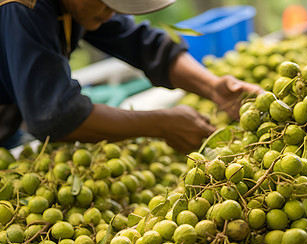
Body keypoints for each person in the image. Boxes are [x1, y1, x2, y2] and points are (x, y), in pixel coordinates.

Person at [0, 0, 262, 153]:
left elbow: (141, 44)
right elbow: (56, 116)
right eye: (106, 3)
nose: (111, 12)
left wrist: (213, 86)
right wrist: (160, 124)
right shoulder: (22, 8)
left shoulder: (83, 6)